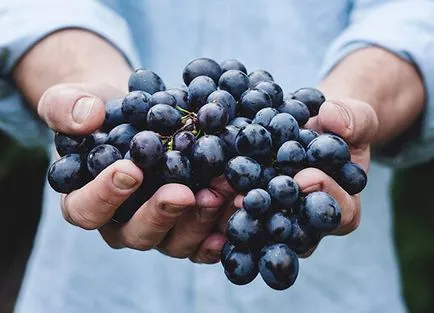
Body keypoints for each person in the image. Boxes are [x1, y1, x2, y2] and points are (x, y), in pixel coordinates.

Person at [1, 1, 433, 312]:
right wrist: (81, 79)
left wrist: (357, 100)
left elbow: (414, 16)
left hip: (334, 290)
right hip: (94, 290)